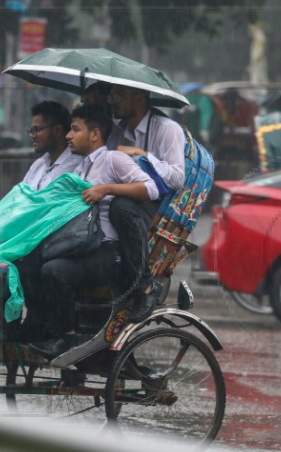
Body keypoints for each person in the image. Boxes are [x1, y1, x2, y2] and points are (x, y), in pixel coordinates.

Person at [28, 104, 160, 358]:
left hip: (109, 252)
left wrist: (107, 189)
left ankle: (65, 338)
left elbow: (150, 188)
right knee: (32, 261)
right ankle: (36, 327)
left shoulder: (113, 159)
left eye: (75, 130)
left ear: (95, 134)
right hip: (82, 244)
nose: (68, 136)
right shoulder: (80, 167)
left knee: (54, 272)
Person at [104, 84, 186, 322]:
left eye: (118, 95)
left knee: (121, 207)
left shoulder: (167, 129)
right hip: (128, 196)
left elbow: (177, 177)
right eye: (112, 94)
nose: (113, 101)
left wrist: (143, 155)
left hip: (159, 206)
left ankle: (146, 287)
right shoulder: (118, 131)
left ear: (139, 98)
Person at [21, 101, 82, 190]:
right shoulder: (38, 164)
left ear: (57, 130)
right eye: (31, 131)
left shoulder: (76, 166)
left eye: (37, 130)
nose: (32, 135)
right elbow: (21, 195)